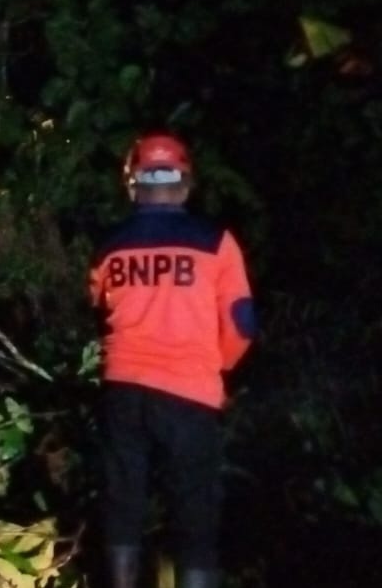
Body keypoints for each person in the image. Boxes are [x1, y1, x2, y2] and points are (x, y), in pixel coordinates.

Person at [88, 133, 257, 588]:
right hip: (189, 396)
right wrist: (213, 368)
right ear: (185, 184)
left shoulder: (110, 247)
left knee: (123, 502)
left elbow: (99, 308)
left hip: (123, 391)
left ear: (132, 184)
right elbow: (242, 324)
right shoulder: (216, 242)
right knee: (194, 516)